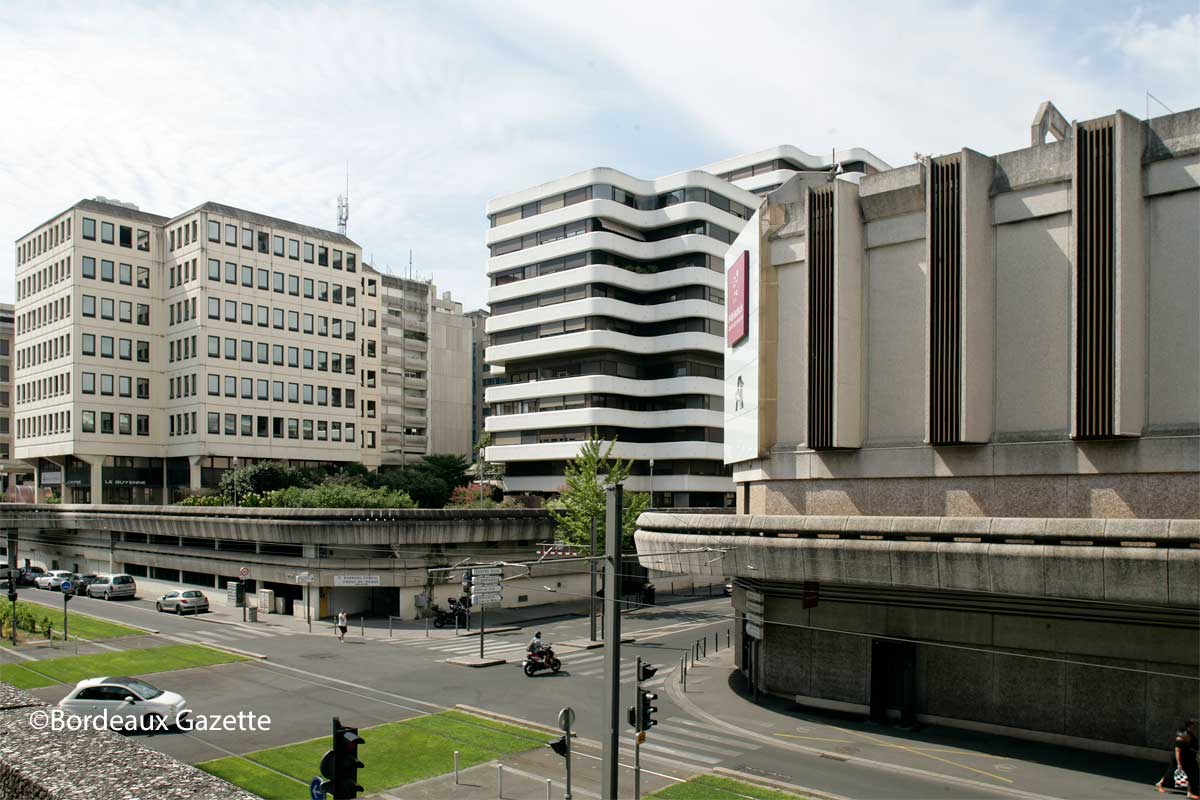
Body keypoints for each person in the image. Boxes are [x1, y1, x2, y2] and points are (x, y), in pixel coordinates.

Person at [1156, 719, 1198, 798]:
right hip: (1179, 758)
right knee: (1171, 773)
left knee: (1191, 773)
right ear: (1189, 726)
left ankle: (1190, 792)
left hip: (1188, 758)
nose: (1194, 727)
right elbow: (1177, 750)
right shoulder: (1182, 735)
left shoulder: (1191, 734)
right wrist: (1179, 763)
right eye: (1193, 726)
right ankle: (1160, 784)